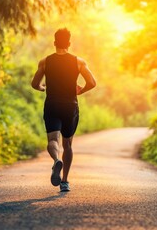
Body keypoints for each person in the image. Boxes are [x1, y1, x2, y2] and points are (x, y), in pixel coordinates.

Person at [31, 28, 96, 192]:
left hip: (52, 104)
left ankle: (55, 160)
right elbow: (92, 82)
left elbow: (34, 83)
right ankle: (65, 182)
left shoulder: (45, 62)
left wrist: (41, 88)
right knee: (67, 144)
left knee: (53, 140)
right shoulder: (78, 62)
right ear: (69, 43)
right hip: (70, 106)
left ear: (54, 43)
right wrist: (80, 90)